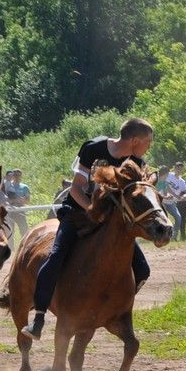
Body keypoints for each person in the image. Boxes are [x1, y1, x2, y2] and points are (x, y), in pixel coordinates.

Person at [21, 118, 155, 340]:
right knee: (54, 258)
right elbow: (75, 189)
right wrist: (95, 212)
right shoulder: (94, 148)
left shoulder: (136, 163)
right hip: (77, 215)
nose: (148, 147)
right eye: (147, 142)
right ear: (134, 140)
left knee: (142, 270)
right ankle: (39, 317)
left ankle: (113, 309)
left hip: (110, 225)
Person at [0, 168, 31, 242]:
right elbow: (3, 198)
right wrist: (15, 200)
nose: (17, 176)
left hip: (20, 210)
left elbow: (28, 201)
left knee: (24, 229)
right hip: (10, 210)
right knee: (10, 230)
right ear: (12, 175)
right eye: (15, 175)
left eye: (18, 175)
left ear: (21, 176)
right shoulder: (7, 185)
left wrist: (22, 201)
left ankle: (25, 244)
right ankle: (11, 248)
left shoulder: (24, 187)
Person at [165, 163, 186, 240]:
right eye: (177, 168)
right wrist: (175, 195)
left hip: (171, 203)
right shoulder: (169, 175)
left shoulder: (182, 182)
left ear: (182, 169)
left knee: (178, 218)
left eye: (180, 168)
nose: (179, 170)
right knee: (163, 218)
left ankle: (173, 236)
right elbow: (164, 186)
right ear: (174, 168)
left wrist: (185, 195)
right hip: (162, 201)